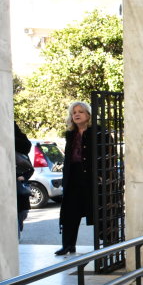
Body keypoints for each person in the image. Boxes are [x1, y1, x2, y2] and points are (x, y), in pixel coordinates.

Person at [55, 102, 96, 256]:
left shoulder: (97, 132)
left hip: (91, 177)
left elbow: (107, 154)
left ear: (88, 115)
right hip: (73, 176)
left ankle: (107, 243)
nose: (77, 114)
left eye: (80, 111)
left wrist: (101, 173)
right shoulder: (70, 133)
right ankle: (68, 245)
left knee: (97, 210)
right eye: (74, 112)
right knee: (70, 212)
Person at [15, 122, 33, 238]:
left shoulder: (20, 145)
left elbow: (29, 167)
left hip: (19, 185)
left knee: (23, 211)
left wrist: (24, 177)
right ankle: (16, 236)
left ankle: (18, 232)